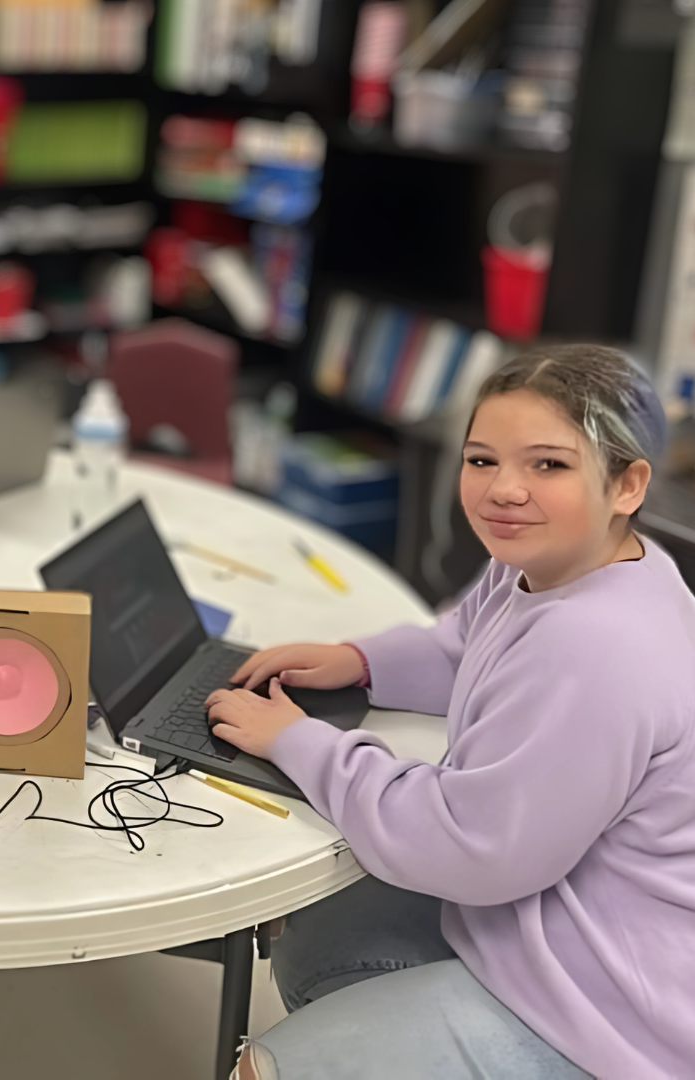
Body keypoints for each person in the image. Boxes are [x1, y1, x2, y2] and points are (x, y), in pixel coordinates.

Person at [206, 345, 695, 1079]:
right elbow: (464, 645)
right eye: (481, 460)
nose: (504, 490)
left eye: (548, 465)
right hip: (552, 913)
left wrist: (300, 743)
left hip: (608, 1008)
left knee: (265, 1070)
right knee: (317, 927)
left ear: (627, 484)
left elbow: (474, 845)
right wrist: (359, 662)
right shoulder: (562, 562)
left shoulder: (596, 646)